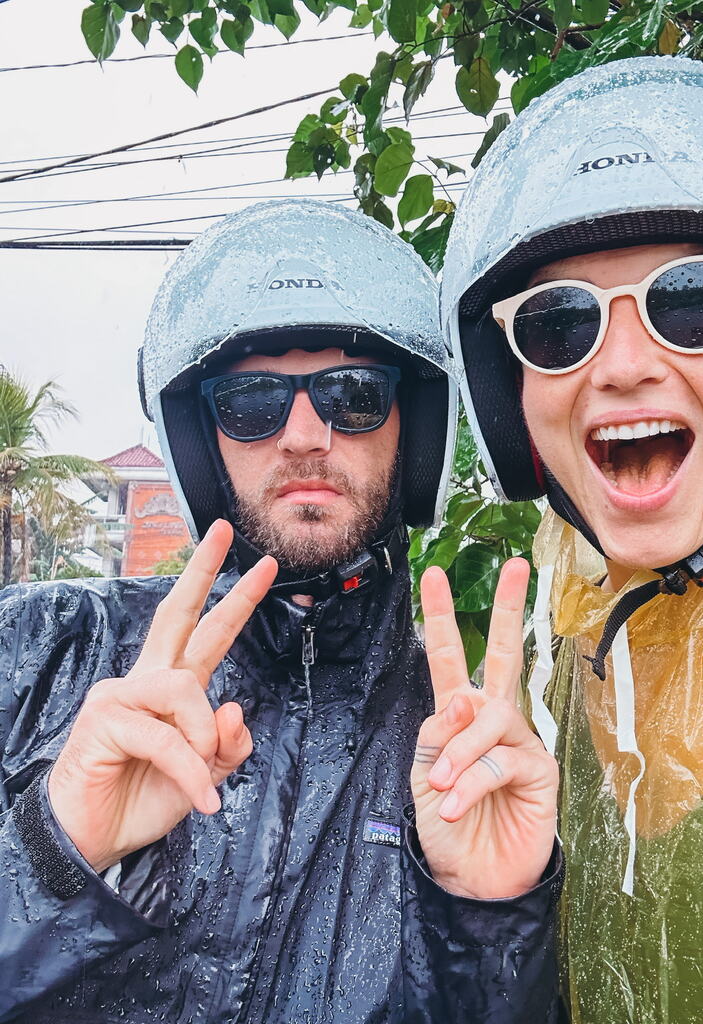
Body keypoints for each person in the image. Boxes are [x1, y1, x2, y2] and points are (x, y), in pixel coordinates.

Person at [0, 199, 562, 1023]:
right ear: (203, 440)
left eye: (354, 392)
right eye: (254, 402)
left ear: (413, 431)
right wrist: (52, 853)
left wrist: (489, 923)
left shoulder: (465, 749)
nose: (304, 435)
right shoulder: (41, 652)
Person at [441, 56, 703, 1024]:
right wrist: (486, 913)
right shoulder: (525, 673)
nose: (623, 365)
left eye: (695, 301)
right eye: (558, 324)